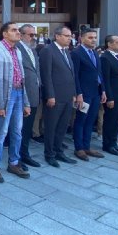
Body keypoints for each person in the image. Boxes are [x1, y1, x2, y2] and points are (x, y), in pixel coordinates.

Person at [0, 22, 30, 182]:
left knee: (17, 131)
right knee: (1, 132)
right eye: (14, 30)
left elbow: (22, 78)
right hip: (6, 95)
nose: (18, 33)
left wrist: (25, 101)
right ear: (5, 34)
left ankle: (13, 162)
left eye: (18, 30)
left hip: (18, 93)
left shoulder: (17, 50)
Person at [38, 26, 78, 167]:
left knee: (62, 126)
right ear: (57, 36)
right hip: (55, 97)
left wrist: (73, 93)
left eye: (70, 36)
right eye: (67, 36)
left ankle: (59, 151)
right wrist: (50, 95)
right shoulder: (48, 50)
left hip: (67, 96)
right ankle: (49, 154)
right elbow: (46, 75)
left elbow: (71, 74)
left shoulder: (66, 51)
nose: (70, 38)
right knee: (51, 126)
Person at [71, 28, 106, 161]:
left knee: (91, 120)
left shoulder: (95, 53)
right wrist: (78, 93)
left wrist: (102, 90)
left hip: (95, 92)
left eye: (95, 37)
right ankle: (79, 148)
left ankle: (87, 146)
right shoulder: (76, 53)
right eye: (90, 37)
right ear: (82, 38)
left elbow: (99, 73)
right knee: (81, 120)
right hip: (84, 94)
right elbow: (75, 75)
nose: (93, 40)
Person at [15, 24, 42, 169]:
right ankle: (17, 157)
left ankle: (24, 154)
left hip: (34, 93)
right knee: (19, 128)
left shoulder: (33, 50)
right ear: (22, 34)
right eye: (30, 35)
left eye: (34, 35)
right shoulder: (17, 49)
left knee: (28, 128)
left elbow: (36, 71)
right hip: (22, 95)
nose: (33, 38)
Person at [100, 35, 118, 156]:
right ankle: (107, 144)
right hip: (113, 95)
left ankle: (114, 142)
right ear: (109, 44)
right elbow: (105, 79)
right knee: (110, 121)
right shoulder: (105, 58)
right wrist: (109, 97)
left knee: (117, 120)